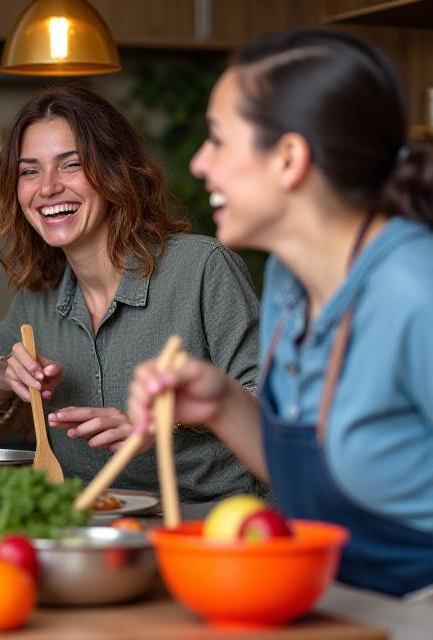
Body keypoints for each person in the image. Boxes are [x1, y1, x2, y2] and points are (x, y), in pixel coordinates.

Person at [128, 28, 433, 596]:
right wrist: (220, 403)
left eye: (218, 140)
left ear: (289, 158)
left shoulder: (416, 292)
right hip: (326, 603)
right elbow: (314, 475)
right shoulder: (291, 280)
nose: (198, 164)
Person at [0, 85, 266, 502]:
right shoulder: (36, 300)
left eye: (70, 165)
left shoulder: (202, 268)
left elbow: (269, 407)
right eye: (30, 171)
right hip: (88, 529)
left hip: (213, 521)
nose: (47, 187)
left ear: (114, 170)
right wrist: (1, 376)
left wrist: (165, 419)